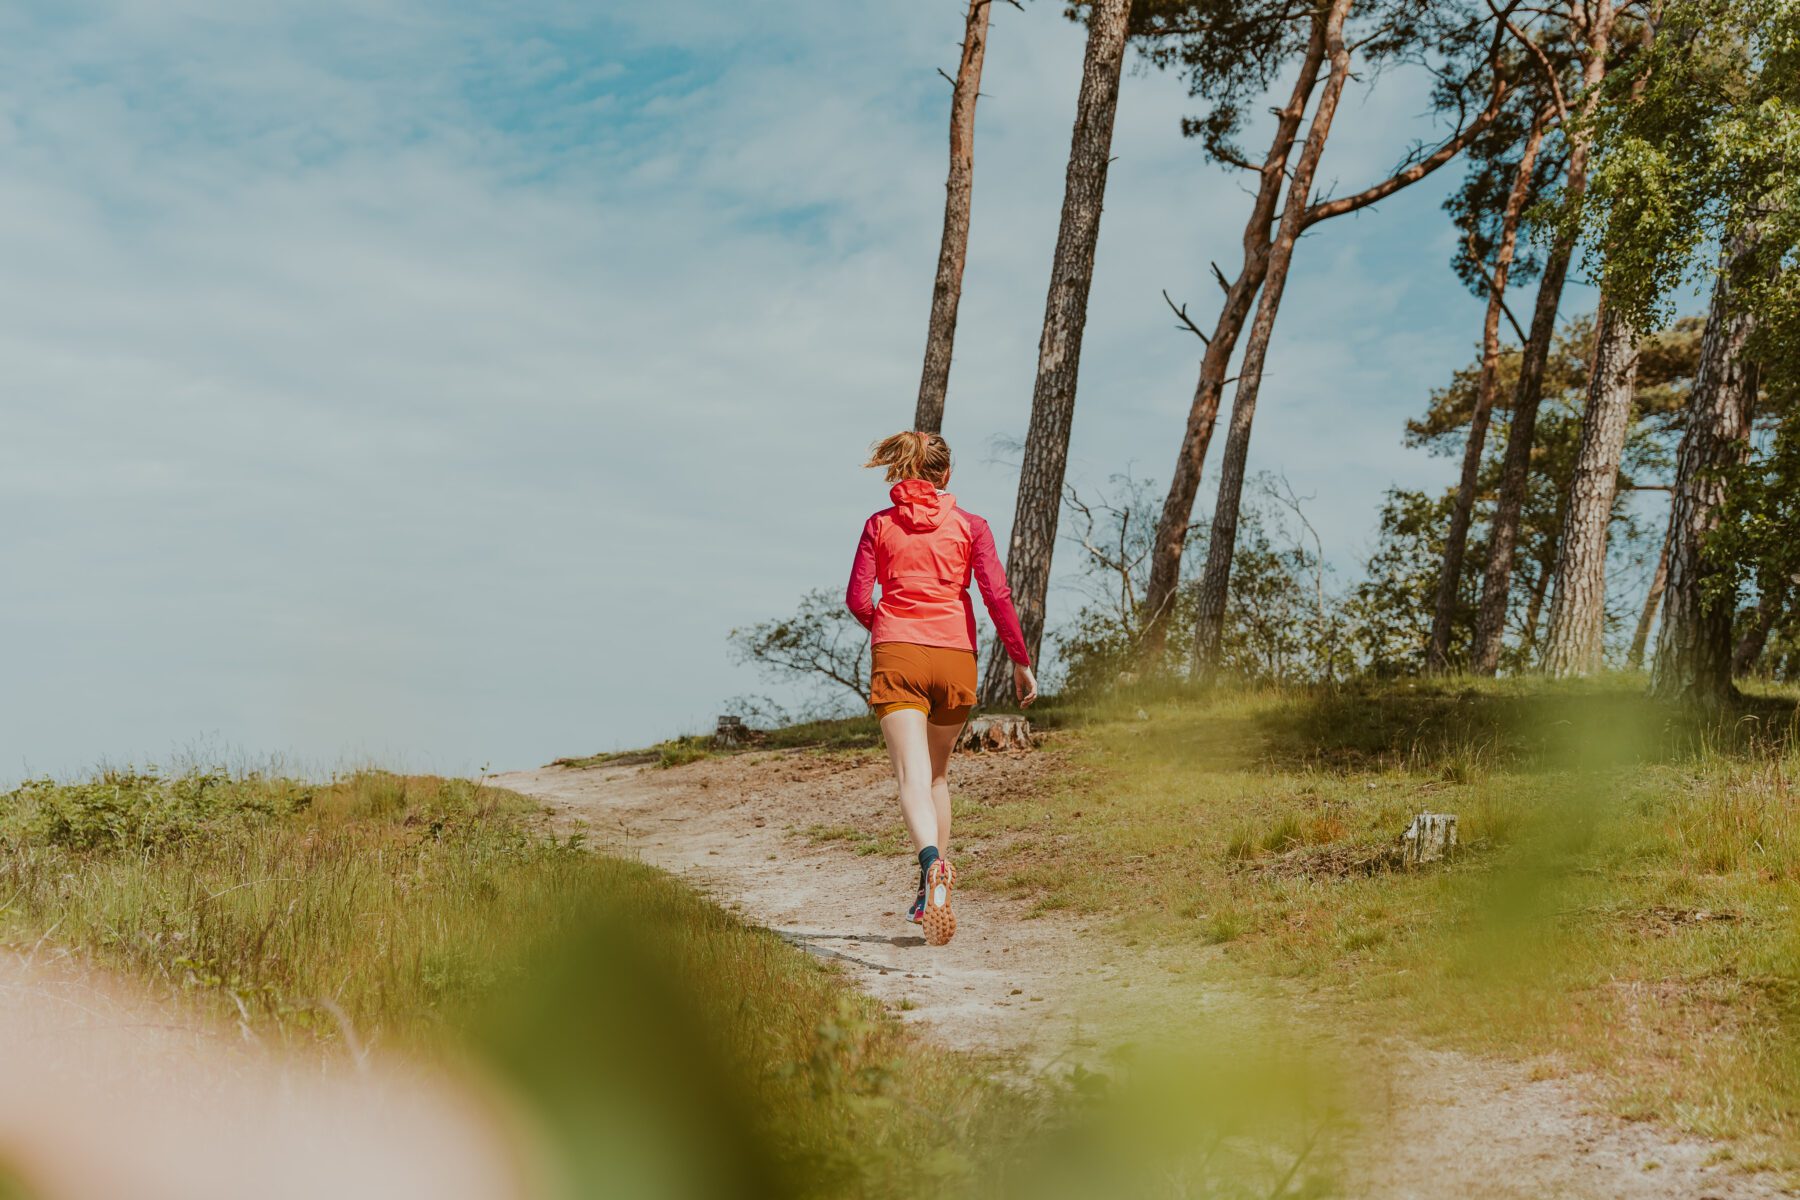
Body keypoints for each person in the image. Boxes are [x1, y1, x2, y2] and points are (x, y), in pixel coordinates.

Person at [846, 430, 1036, 946]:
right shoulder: (971, 525)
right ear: (946, 474)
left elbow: (858, 598)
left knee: (911, 775)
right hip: (956, 658)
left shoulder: (879, 524)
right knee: (936, 778)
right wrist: (1020, 661)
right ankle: (932, 891)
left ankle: (931, 863)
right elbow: (997, 595)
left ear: (901, 472)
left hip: (899, 654)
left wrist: (890, 630)